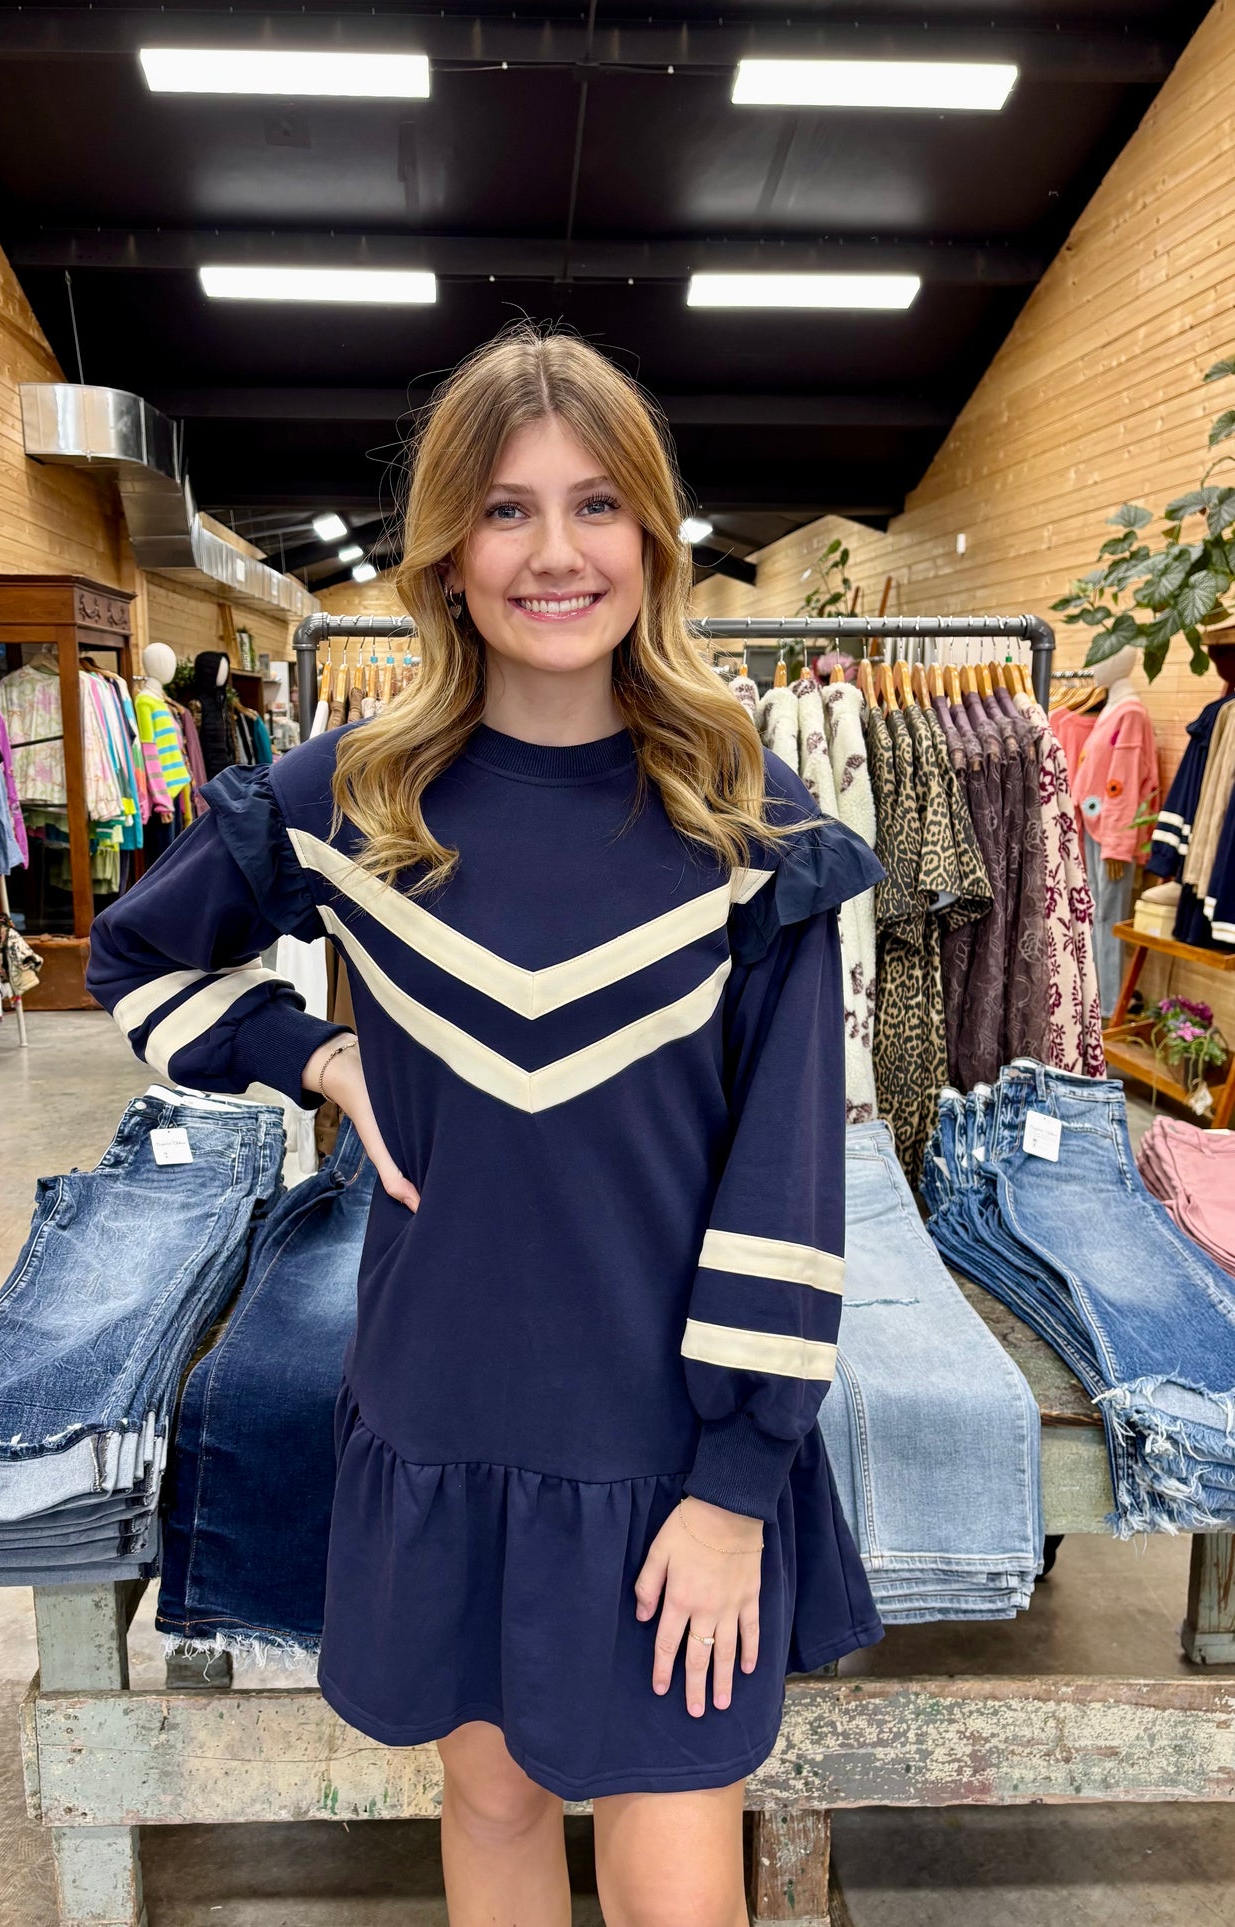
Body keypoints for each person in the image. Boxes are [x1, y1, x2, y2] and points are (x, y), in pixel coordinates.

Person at [87, 323, 886, 1925]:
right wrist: (316, 1056)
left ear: (650, 541)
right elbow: (136, 958)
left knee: (677, 1865)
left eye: (596, 507)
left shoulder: (749, 825)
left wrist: (735, 1485)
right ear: (447, 551)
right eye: (506, 510)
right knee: (494, 1795)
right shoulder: (347, 798)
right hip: (440, 1400)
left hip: (665, 1438)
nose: (554, 553)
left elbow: (790, 1180)